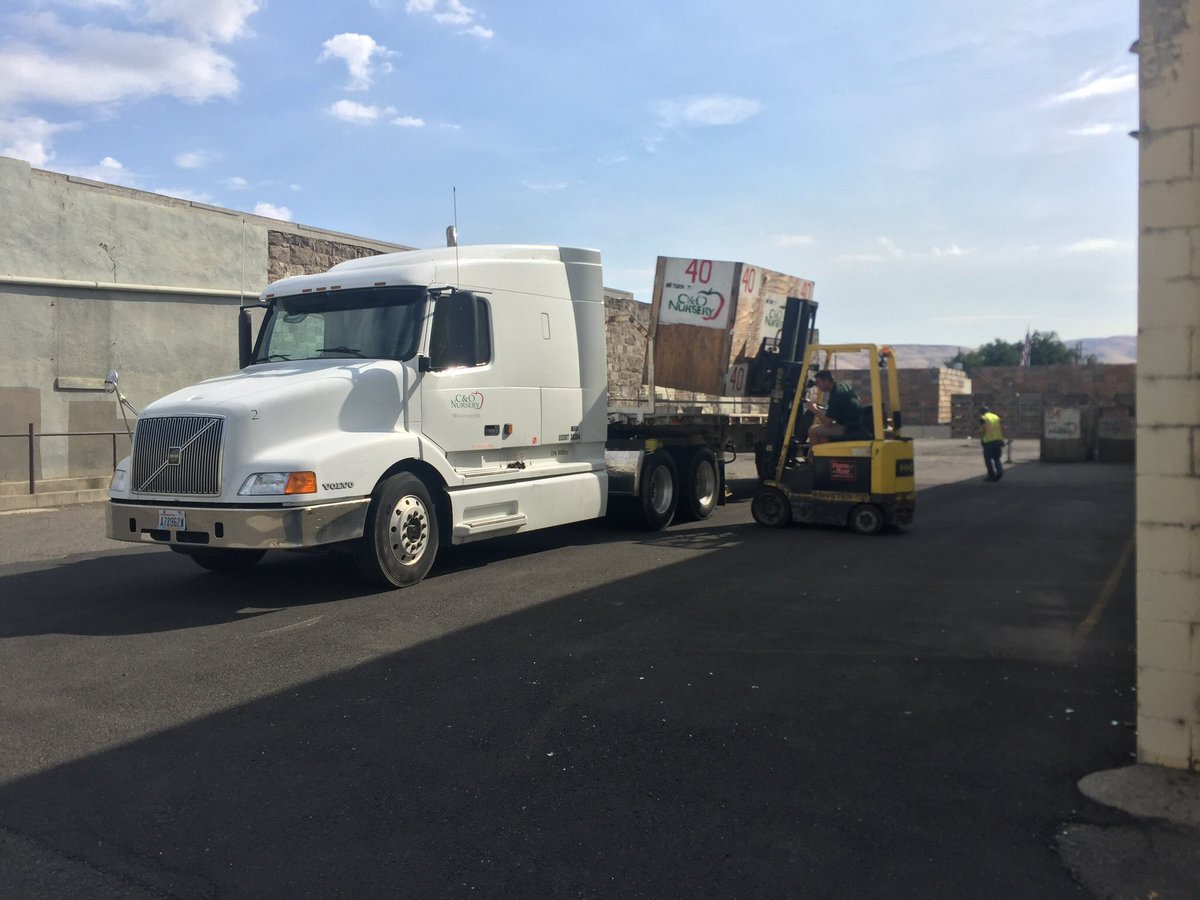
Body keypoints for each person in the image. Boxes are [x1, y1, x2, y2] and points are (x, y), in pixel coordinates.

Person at [805, 370, 861, 445]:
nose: (817, 385)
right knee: (822, 436)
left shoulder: (836, 394)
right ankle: (824, 456)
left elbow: (827, 422)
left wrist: (814, 410)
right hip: (855, 423)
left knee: (812, 430)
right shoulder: (842, 386)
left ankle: (812, 455)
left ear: (826, 381)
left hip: (850, 427)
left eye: (818, 382)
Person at [978, 404, 1005, 481]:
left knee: (988, 459)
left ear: (982, 412)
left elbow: (984, 429)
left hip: (988, 441)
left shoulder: (983, 418)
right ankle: (999, 471)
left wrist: (982, 439)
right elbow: (1000, 429)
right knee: (996, 458)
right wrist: (1002, 439)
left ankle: (991, 475)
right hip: (998, 441)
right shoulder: (996, 417)